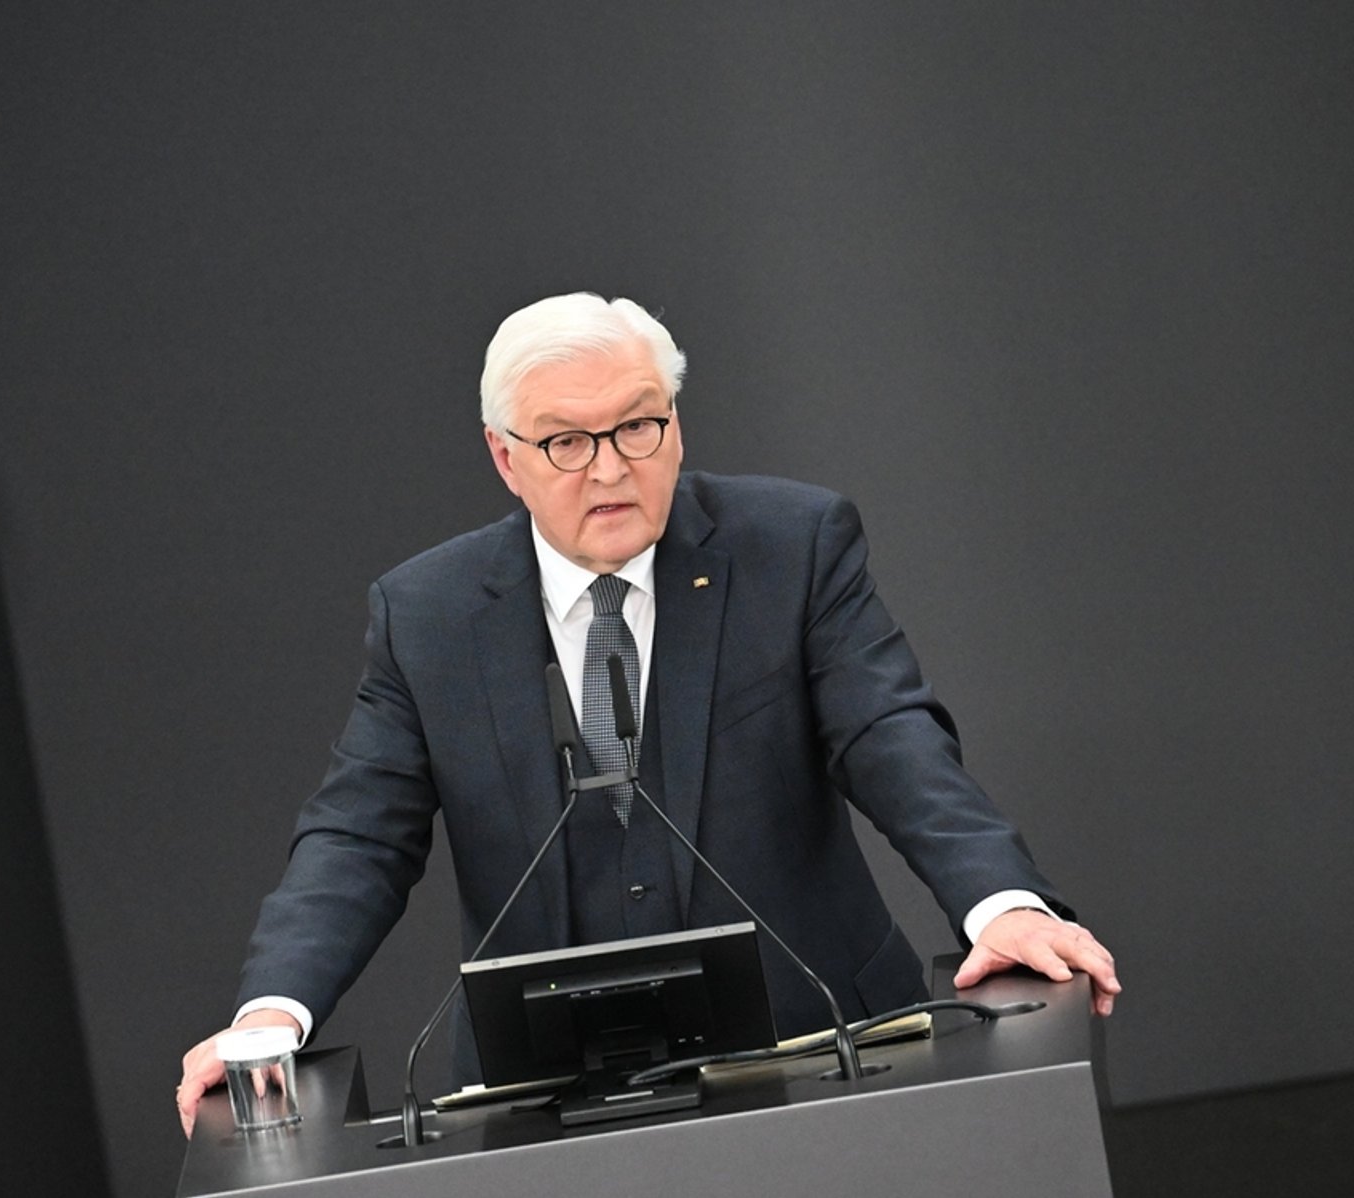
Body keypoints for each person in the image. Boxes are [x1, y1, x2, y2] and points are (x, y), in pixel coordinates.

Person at [176, 293, 1120, 1136]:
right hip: (549, 1095)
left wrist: (998, 900)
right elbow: (358, 836)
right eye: (566, 442)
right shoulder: (427, 615)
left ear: (675, 424)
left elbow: (891, 737)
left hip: (826, 1047)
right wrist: (272, 1014)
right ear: (505, 458)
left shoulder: (791, 546)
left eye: (637, 427)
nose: (609, 470)